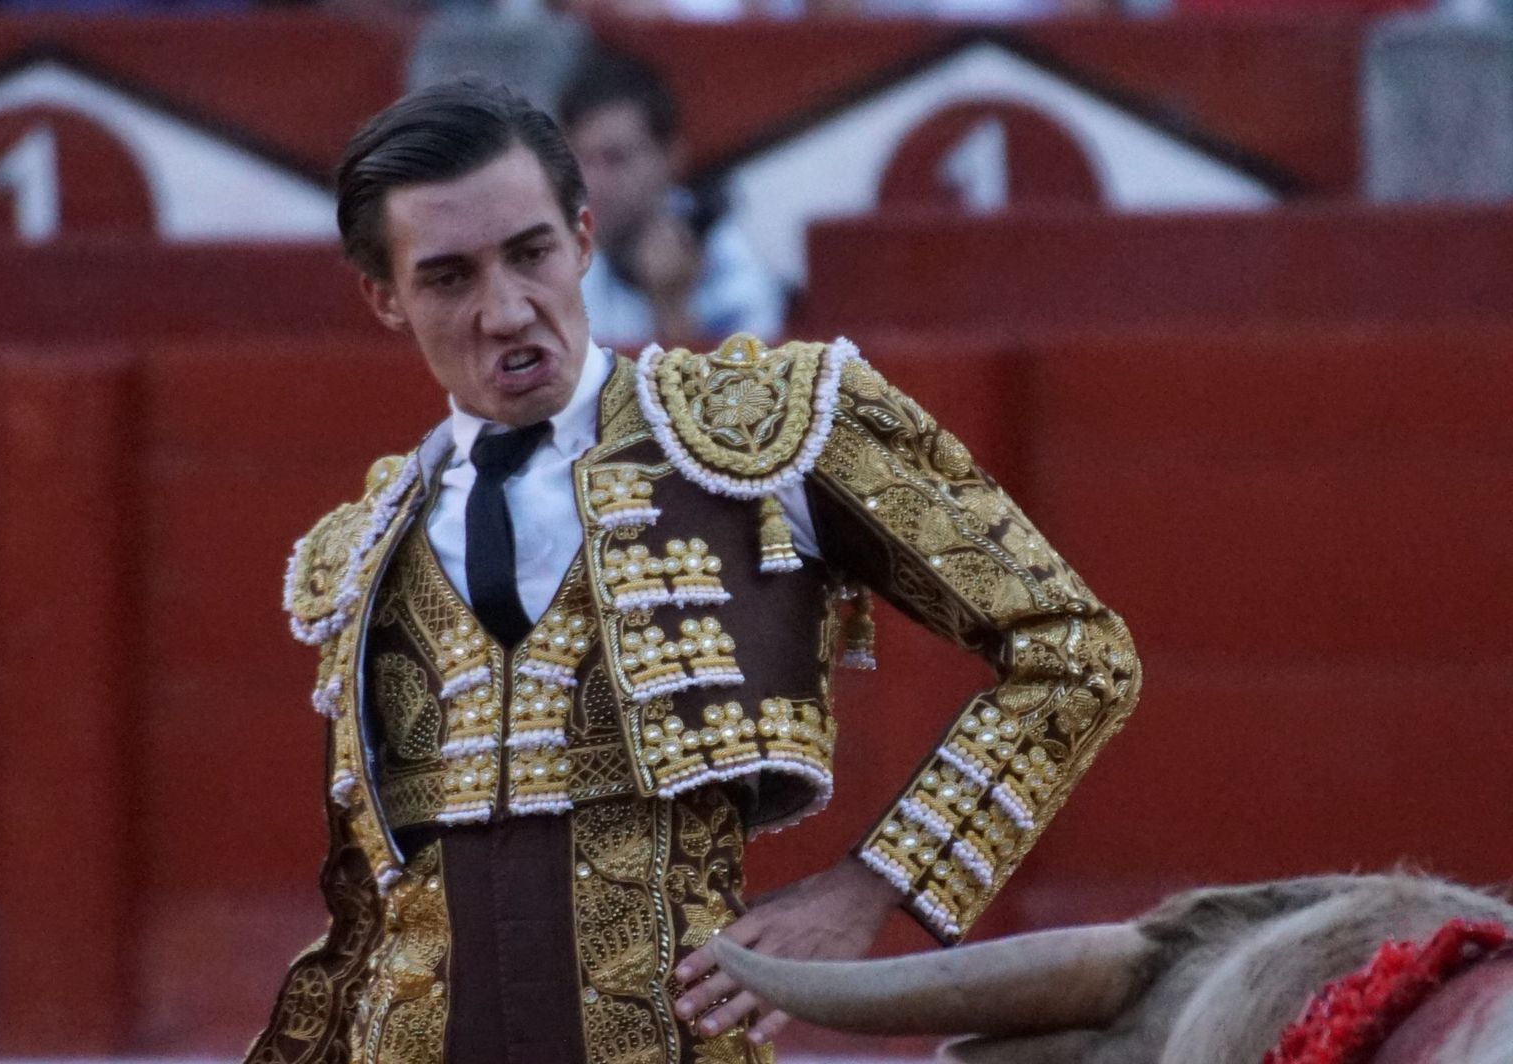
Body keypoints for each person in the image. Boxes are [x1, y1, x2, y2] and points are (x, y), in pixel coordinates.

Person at [248, 78, 1140, 1064]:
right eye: (449, 277)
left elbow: (1075, 651)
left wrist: (870, 883)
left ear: (584, 238)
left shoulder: (758, 428)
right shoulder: (364, 544)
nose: (506, 310)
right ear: (384, 296)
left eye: (532, 253)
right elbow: (370, 909)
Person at [559, 50, 786, 350]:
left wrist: (671, 305)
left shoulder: (735, 272)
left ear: (669, 158)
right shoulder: (554, 256)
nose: (592, 182)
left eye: (615, 159)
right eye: (581, 160)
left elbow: (735, 393)